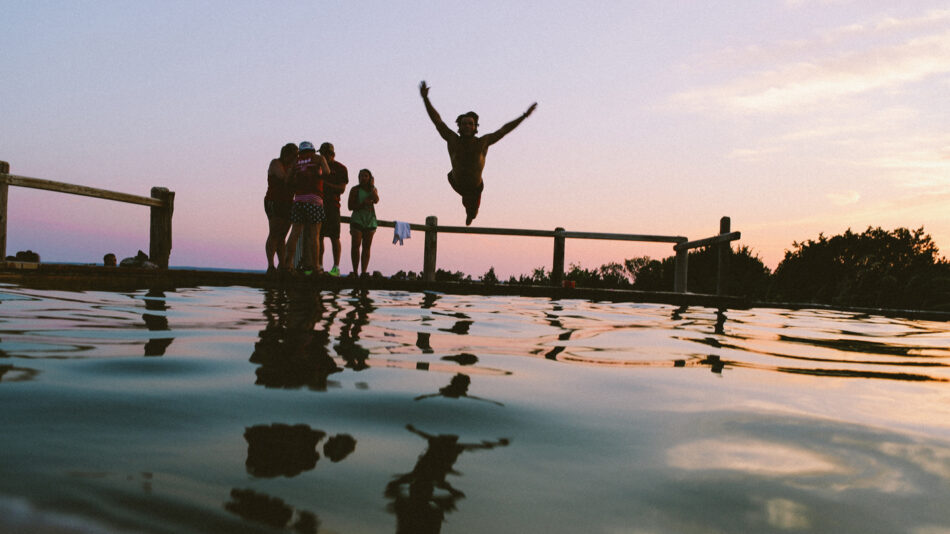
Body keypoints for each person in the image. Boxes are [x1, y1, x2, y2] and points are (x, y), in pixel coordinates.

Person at [419, 80, 537, 225]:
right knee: (465, 199)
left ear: (475, 127)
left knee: (472, 212)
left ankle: (470, 215)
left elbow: (504, 130)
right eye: (464, 124)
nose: (467, 126)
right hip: (456, 182)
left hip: (474, 189)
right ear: (459, 127)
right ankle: (468, 210)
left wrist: (524, 116)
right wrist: (426, 99)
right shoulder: (452, 139)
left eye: (470, 124)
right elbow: (437, 121)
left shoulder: (483, 142)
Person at [284, 141, 330, 275]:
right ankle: (315, 267)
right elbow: (327, 172)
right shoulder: (319, 158)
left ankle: (287, 265)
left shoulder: (296, 162)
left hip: (298, 199)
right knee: (314, 234)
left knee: (295, 232)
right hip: (314, 199)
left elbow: (287, 180)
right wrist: (317, 176)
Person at [264, 143, 298, 274]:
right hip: (274, 201)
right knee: (274, 232)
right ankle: (271, 265)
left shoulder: (293, 167)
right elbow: (284, 178)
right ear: (287, 154)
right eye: (294, 155)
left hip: (288, 203)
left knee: (283, 235)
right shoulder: (276, 163)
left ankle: (283, 265)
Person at [318, 142, 348, 277]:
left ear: (332, 155)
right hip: (318, 205)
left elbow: (341, 189)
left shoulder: (341, 168)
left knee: (335, 237)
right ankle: (319, 266)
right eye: (321, 153)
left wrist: (325, 185)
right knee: (319, 236)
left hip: (333, 206)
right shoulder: (317, 166)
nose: (323, 156)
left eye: (326, 154)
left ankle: (336, 267)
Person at [347, 169, 379, 277]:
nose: (363, 178)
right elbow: (350, 206)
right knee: (356, 245)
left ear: (370, 178)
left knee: (367, 247)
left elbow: (376, 200)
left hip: (370, 220)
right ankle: (355, 271)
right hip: (357, 219)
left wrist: (372, 187)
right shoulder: (355, 190)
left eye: (366, 176)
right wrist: (362, 204)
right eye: (361, 176)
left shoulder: (373, 189)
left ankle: (364, 272)